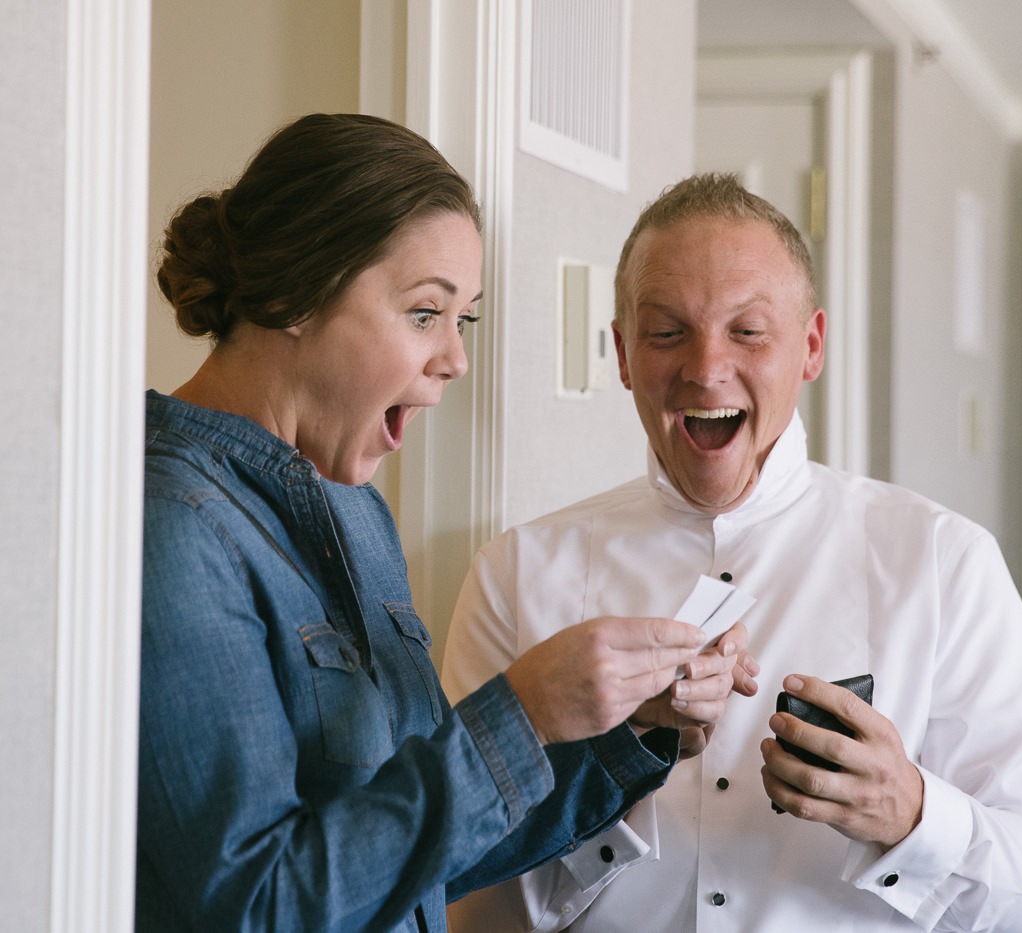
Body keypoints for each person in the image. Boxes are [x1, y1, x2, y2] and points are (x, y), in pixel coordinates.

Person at [138, 114, 751, 932]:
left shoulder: (355, 509)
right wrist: (522, 713)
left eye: (463, 320)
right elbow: (256, 909)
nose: (456, 359)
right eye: (425, 312)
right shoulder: (171, 531)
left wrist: (627, 729)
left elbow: (421, 859)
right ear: (292, 293)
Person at [441, 173, 1022, 931]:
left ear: (809, 346)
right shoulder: (516, 574)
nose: (706, 368)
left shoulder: (945, 562)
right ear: (622, 354)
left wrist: (910, 812)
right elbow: (460, 896)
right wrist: (615, 767)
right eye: (667, 331)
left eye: (747, 330)